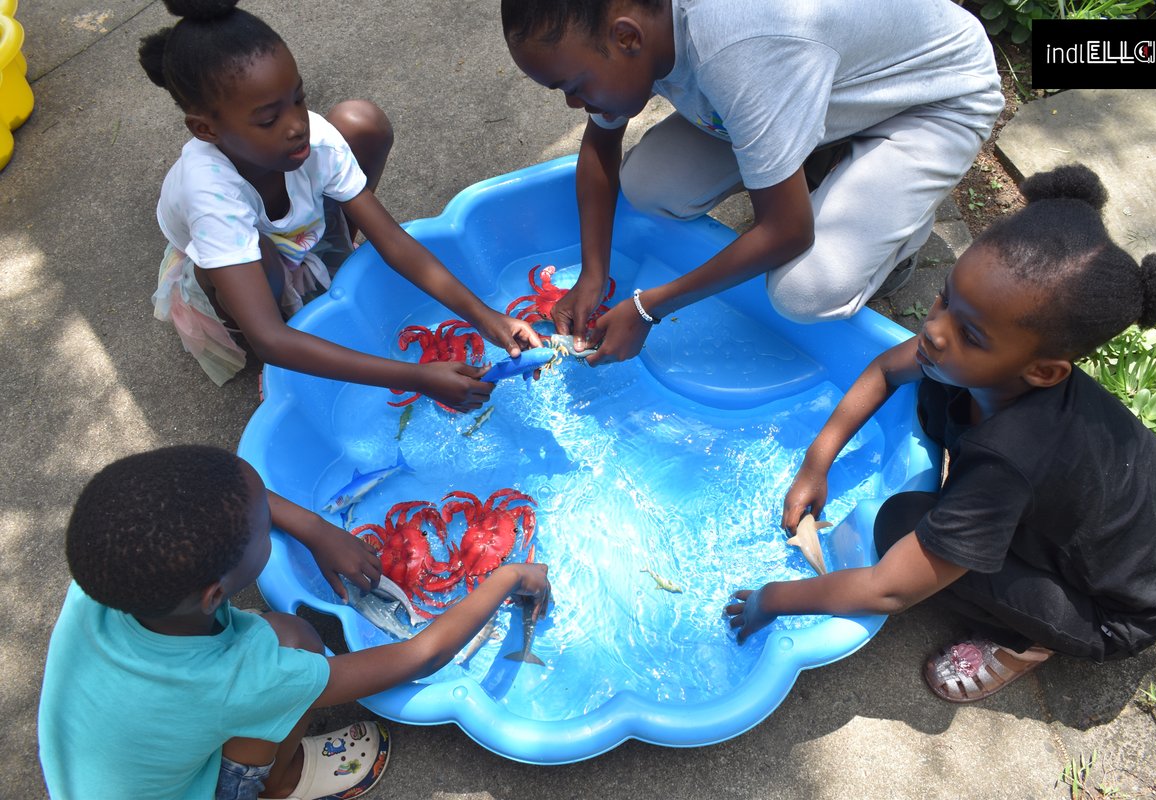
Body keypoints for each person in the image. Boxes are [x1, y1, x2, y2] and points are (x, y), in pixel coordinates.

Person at [725, 165, 1156, 703]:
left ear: (1043, 371)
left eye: (970, 333)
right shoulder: (976, 363)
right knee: (932, 385)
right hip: (1136, 517)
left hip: (1112, 607)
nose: (934, 329)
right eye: (946, 297)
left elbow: (890, 590)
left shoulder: (1009, 462)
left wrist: (772, 599)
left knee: (900, 525)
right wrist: (817, 461)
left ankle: (1022, 642)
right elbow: (885, 369)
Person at [501, 0, 1004, 364]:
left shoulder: (739, 48)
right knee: (649, 185)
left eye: (572, 87)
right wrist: (593, 272)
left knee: (805, 292)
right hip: (809, 87)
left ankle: (903, 230)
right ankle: (814, 152)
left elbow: (787, 231)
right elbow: (600, 147)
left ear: (628, 37)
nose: (572, 104)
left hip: (930, 98)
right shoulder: (633, 28)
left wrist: (648, 307)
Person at [38, 445, 551, 799]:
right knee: (298, 644)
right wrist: (506, 578)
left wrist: (315, 528)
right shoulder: (242, 678)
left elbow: (227, 484)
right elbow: (421, 655)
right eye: (266, 523)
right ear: (215, 592)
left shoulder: (108, 571)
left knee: (279, 637)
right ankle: (280, 784)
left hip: (87, 772)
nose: (272, 517)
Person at [140, 0, 538, 408]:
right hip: (241, 263)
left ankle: (326, 264)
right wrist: (417, 377)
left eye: (297, 98)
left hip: (298, 234)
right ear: (205, 129)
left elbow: (393, 243)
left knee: (359, 121)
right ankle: (278, 338)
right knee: (261, 262)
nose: (297, 125)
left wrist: (486, 317)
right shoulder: (208, 193)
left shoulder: (313, 139)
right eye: (267, 120)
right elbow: (270, 338)